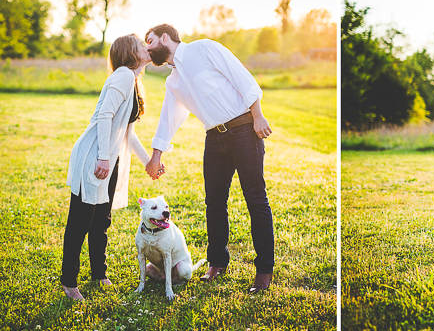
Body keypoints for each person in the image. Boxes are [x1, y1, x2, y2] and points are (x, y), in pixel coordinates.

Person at [144, 24, 275, 293]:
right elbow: (168, 118)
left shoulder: (204, 49)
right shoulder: (174, 81)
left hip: (243, 130)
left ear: (165, 37)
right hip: (214, 139)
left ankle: (264, 271)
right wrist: (155, 156)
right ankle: (217, 262)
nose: (147, 47)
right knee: (214, 203)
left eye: (150, 41)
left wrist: (258, 115)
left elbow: (241, 77)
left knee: (255, 199)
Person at [61, 35, 153, 300]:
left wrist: (147, 161)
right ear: (130, 53)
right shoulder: (123, 75)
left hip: (109, 159)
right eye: (140, 46)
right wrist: (103, 157)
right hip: (94, 156)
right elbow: (105, 116)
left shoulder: (133, 81)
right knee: (80, 222)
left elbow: (127, 132)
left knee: (101, 220)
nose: (146, 48)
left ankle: (98, 274)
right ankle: (69, 282)